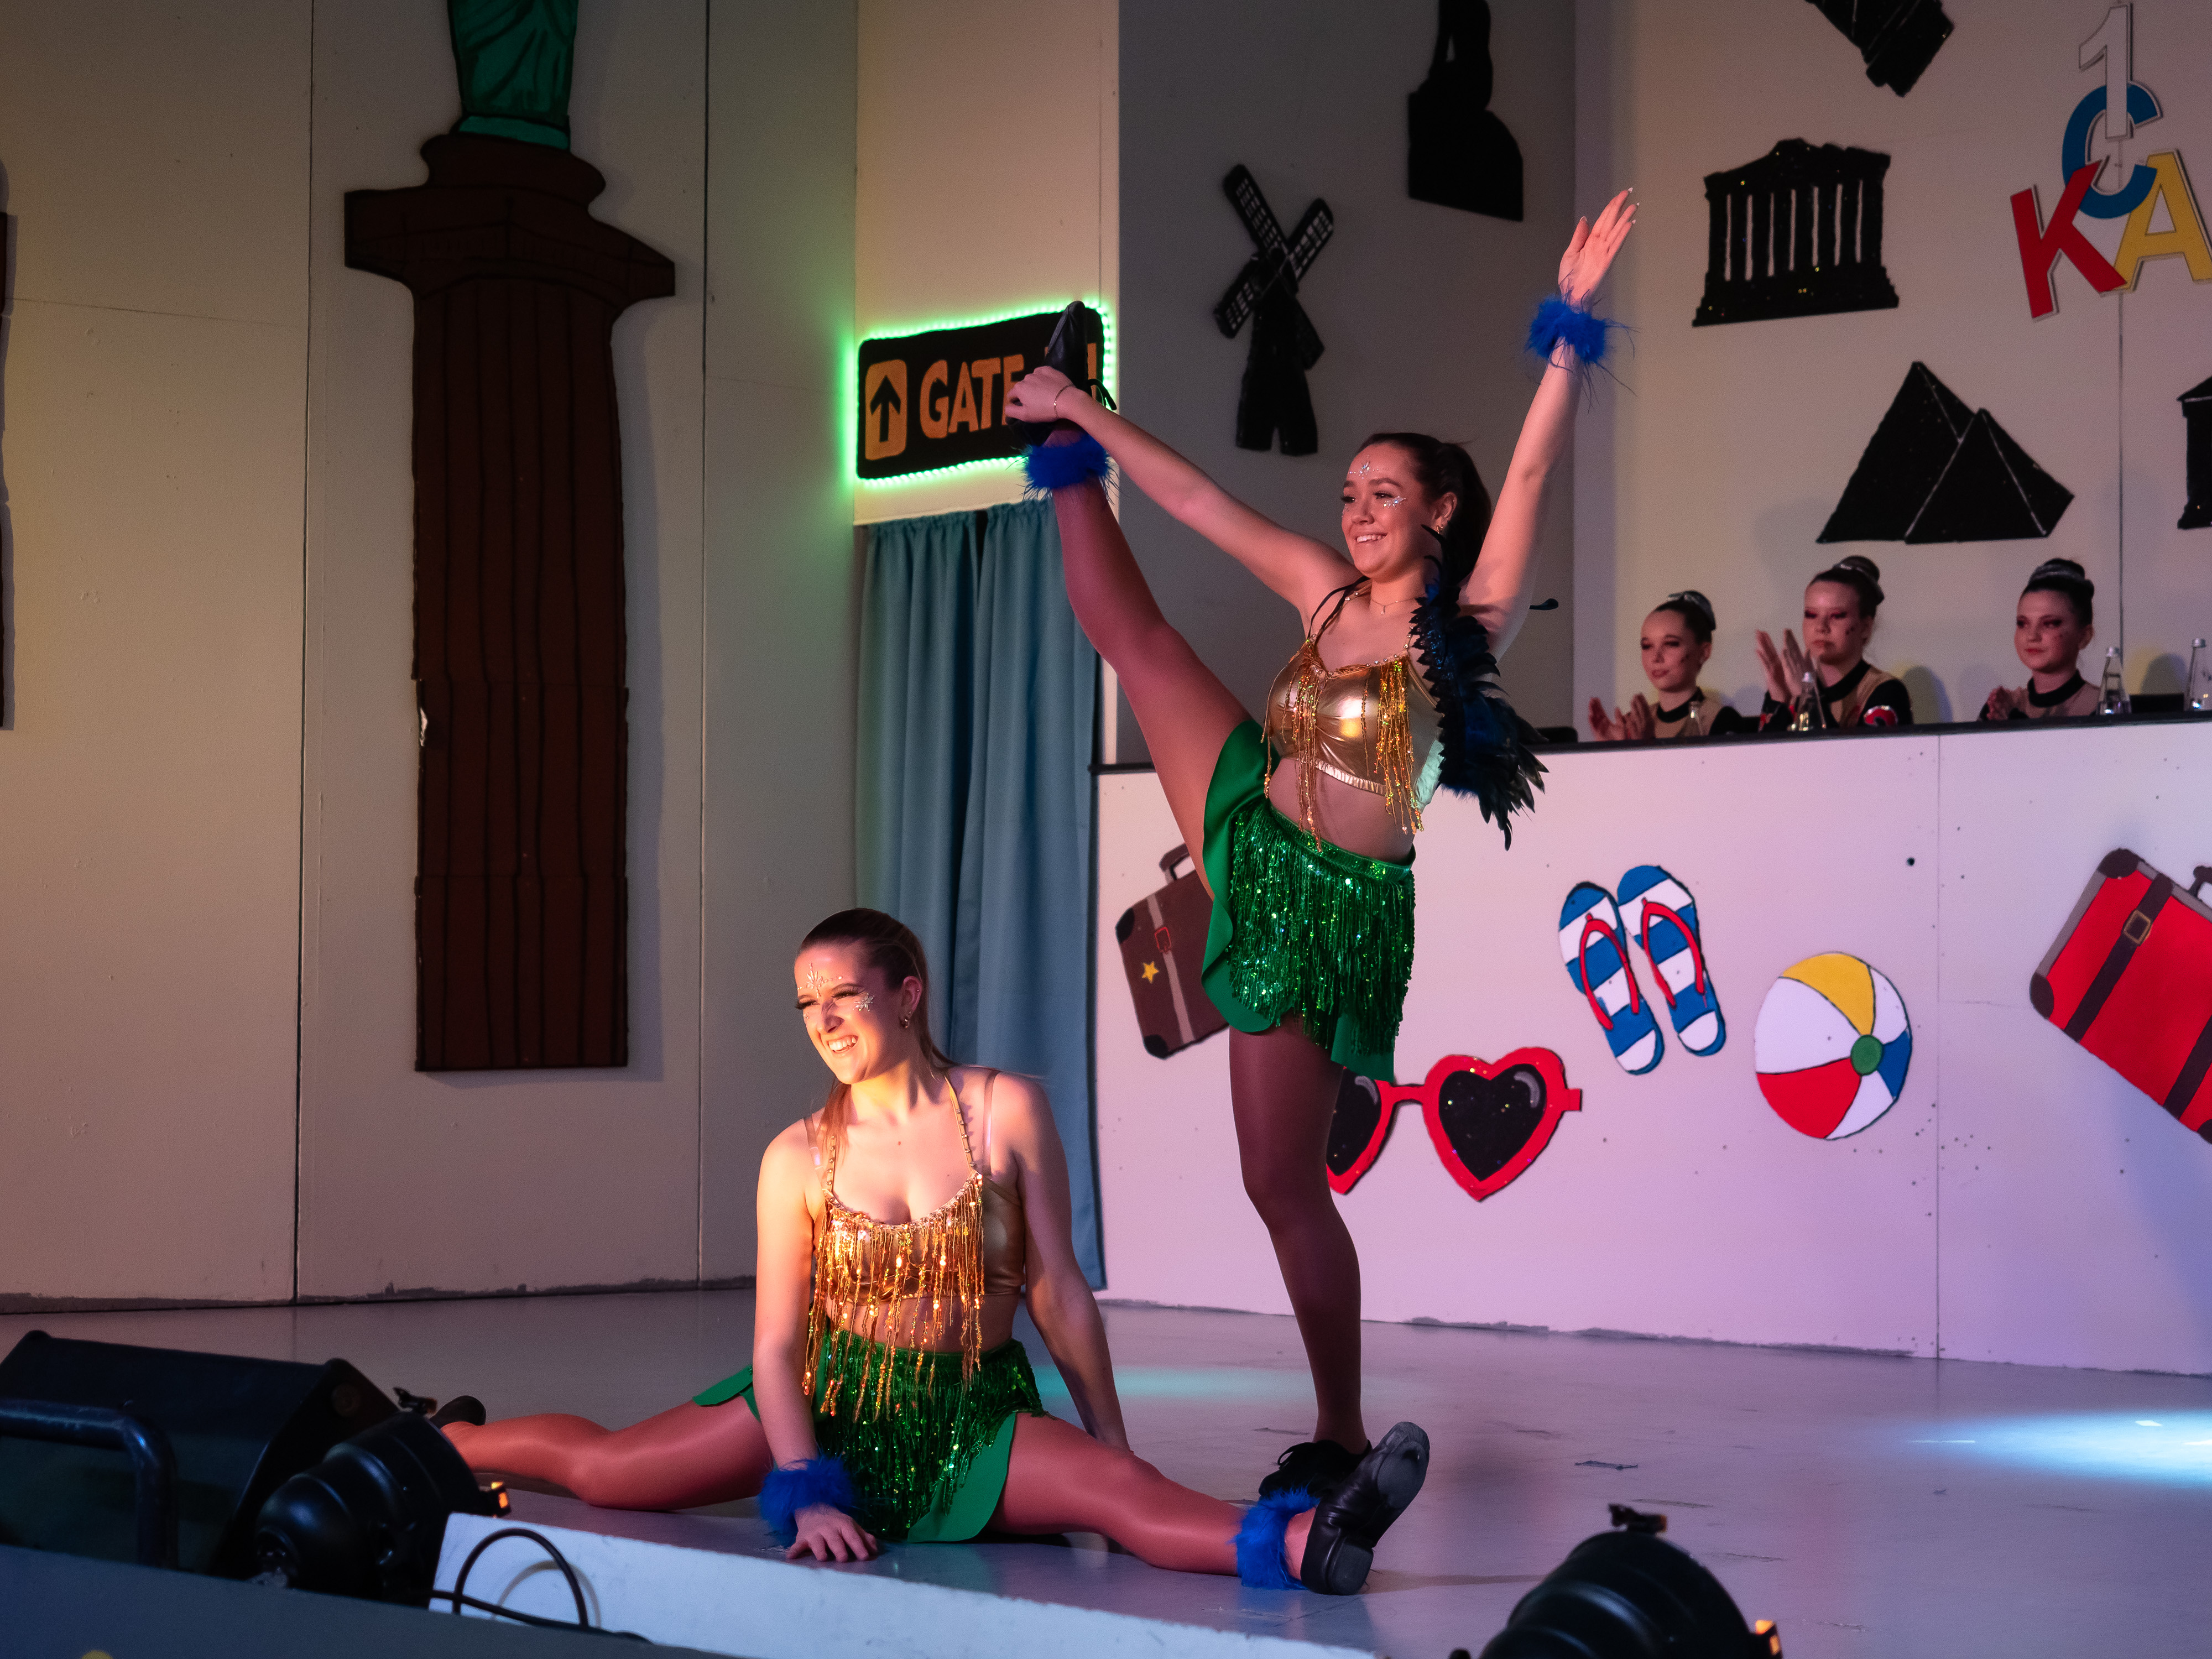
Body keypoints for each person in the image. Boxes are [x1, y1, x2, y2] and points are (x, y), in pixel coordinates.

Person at [1001, 192, 1636, 1499]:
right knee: (1143, 643)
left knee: (1278, 1180)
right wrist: (1082, 415)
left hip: (1330, 907)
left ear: (1439, 511)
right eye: (1348, 493)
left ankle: (1339, 1427)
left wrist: (1565, 334)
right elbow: (1190, 496)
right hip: (1247, 820)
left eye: (1383, 495)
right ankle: (1055, 444)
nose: (1356, 513)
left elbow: (1526, 478)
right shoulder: (1322, 590)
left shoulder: (1462, 626)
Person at [438, 909, 1427, 1594]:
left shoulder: (1004, 1110)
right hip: (830, 1402)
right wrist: (804, 1489)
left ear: (906, 993)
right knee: (608, 1472)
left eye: (844, 996)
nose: (824, 1023)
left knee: (1124, 1496)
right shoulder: (796, 1157)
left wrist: (1109, 1442)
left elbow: (1058, 1294)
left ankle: (1310, 1540)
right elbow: (776, 1349)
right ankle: (448, 1443)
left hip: (969, 1414)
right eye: (807, 1005)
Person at [1753, 555, 1912, 732]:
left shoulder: (1885, 691)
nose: (1821, 627)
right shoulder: (1791, 687)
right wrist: (1779, 701)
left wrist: (1807, 697)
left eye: (1837, 616)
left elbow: (1840, 750)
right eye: (1811, 615)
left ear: (1865, 627)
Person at [1587, 590, 1751, 740]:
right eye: (1647, 646)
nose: (1656, 657)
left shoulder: (1721, 720)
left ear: (1703, 653)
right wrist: (1607, 749)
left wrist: (1646, 747)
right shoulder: (1633, 723)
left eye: (1671, 644)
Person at [1980, 558, 2099, 721]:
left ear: (2084, 636)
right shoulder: (2001, 707)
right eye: (2023, 624)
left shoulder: (2104, 707)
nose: (2032, 636)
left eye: (2049, 624)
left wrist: (2013, 720)